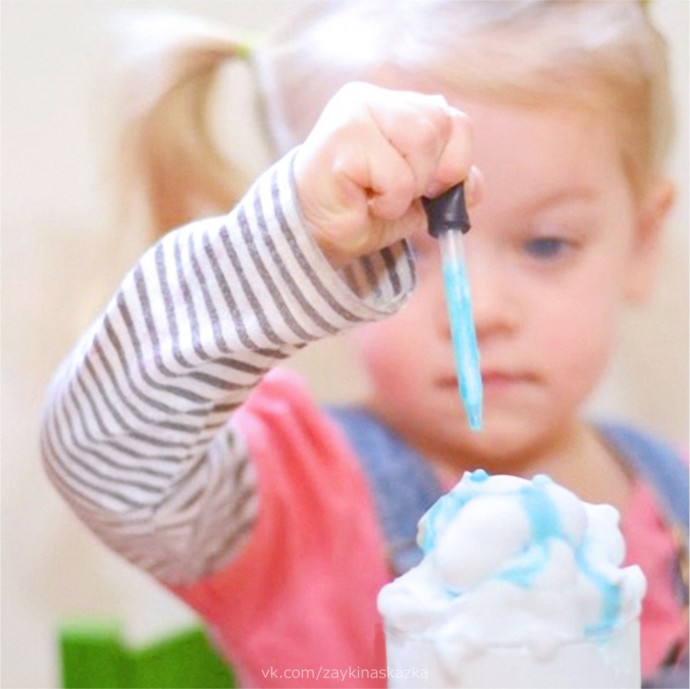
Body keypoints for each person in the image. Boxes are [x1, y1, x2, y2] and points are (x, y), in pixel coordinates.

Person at [41, 1, 688, 687]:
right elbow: (100, 453)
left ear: (642, 242)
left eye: (547, 245)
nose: (481, 311)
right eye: (402, 248)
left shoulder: (673, 489)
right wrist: (287, 242)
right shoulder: (296, 500)